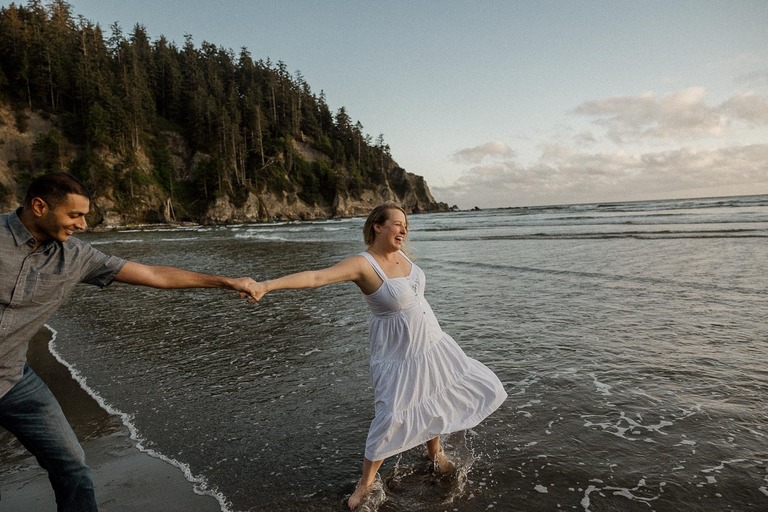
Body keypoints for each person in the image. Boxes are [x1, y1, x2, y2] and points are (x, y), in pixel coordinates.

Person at [0, 172, 260, 511]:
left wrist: (226, 282)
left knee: (72, 466)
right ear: (39, 207)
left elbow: (153, 274)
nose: (82, 225)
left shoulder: (77, 256)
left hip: (13, 379)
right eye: (74, 215)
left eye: (84, 215)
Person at [248, 202, 507, 510]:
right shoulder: (363, 264)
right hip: (397, 355)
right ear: (378, 226)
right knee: (390, 416)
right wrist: (266, 286)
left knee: (435, 395)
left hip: (432, 343)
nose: (404, 230)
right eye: (397, 224)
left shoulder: (401, 255)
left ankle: (434, 452)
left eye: (406, 225)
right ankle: (366, 483)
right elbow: (316, 278)